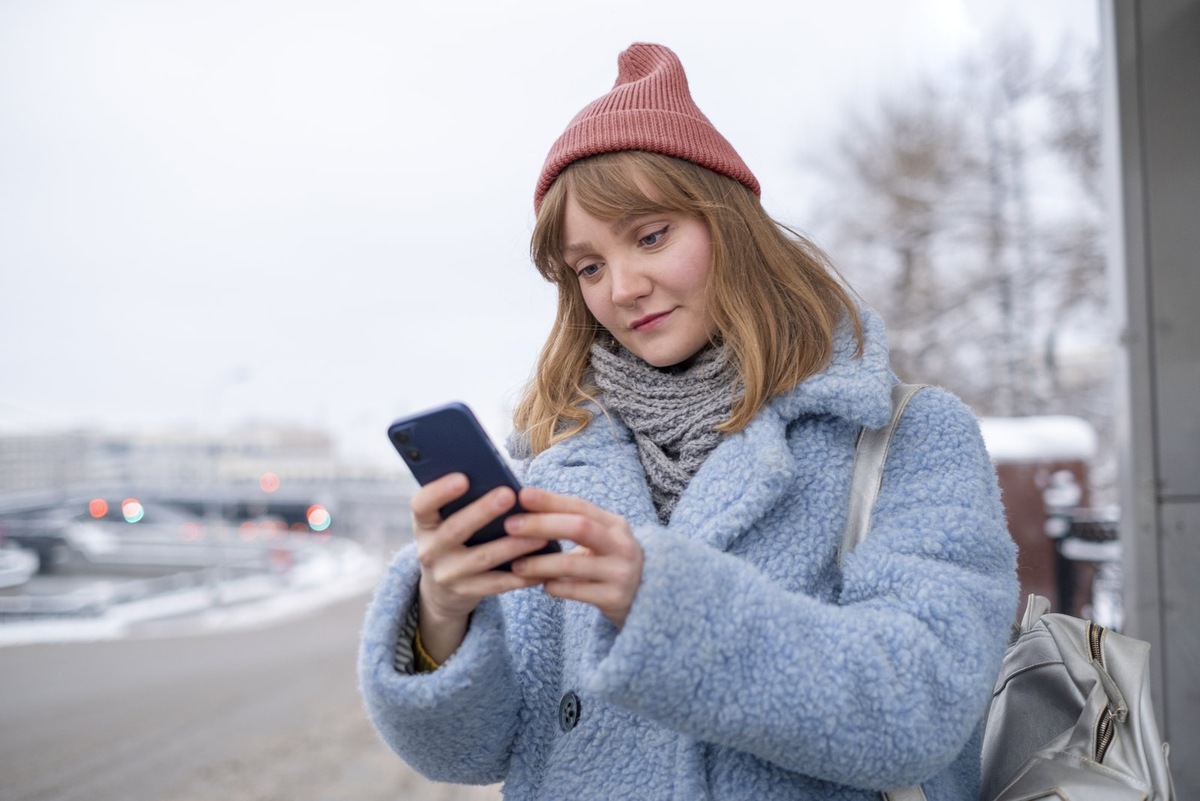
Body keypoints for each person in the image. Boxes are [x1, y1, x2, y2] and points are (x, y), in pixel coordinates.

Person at [359, 43, 1018, 800]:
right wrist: (443, 617)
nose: (624, 287)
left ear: (730, 226)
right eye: (589, 266)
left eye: (650, 235)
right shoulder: (561, 455)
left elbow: (920, 704)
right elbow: (479, 749)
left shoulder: (903, 436)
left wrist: (664, 603)